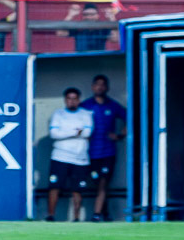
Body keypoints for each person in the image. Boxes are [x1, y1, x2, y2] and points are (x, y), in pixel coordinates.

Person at [80, 74, 127, 222]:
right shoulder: (86, 106)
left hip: (108, 152)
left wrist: (120, 135)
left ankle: (96, 214)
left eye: (102, 84)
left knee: (103, 182)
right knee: (96, 183)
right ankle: (104, 212)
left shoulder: (113, 106)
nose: (100, 87)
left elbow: (131, 117)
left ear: (107, 87)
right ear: (93, 87)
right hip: (90, 153)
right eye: (97, 84)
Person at [47, 87, 94, 222]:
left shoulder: (86, 114)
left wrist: (65, 132)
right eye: (69, 99)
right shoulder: (58, 114)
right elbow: (54, 134)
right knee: (54, 186)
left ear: (78, 100)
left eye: (74, 99)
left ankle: (77, 217)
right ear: (65, 100)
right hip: (60, 157)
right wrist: (74, 132)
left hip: (80, 158)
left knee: (77, 189)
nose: (71, 101)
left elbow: (87, 133)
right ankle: (51, 216)